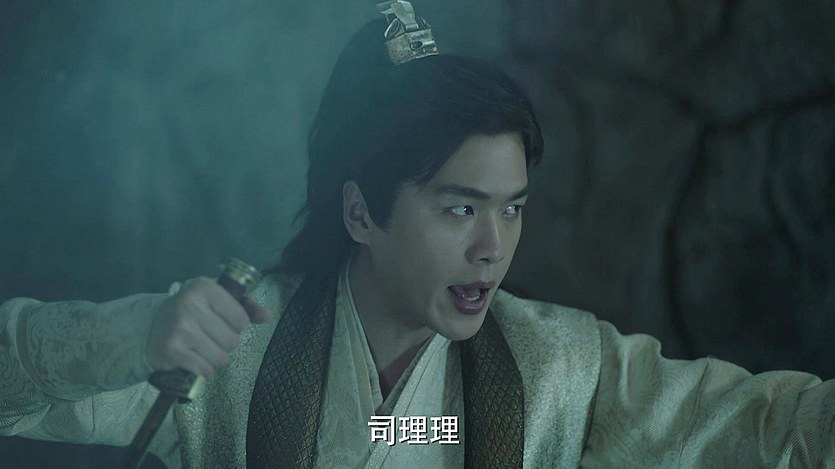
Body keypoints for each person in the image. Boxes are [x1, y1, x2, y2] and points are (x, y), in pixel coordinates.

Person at [1, 2, 833, 468]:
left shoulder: (556, 366)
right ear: (360, 212)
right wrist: (135, 336)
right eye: (459, 208)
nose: (493, 246)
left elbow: (766, 426)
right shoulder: (230, 355)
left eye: (512, 207)